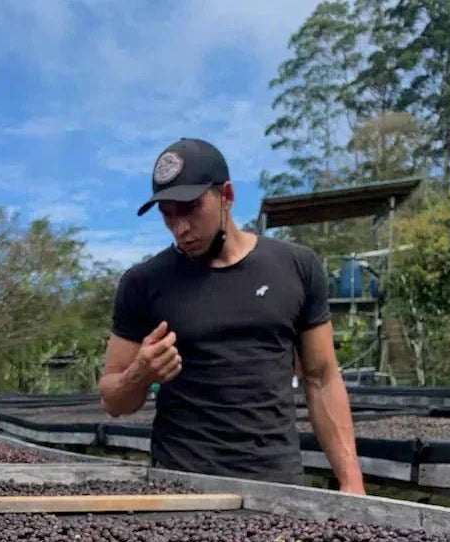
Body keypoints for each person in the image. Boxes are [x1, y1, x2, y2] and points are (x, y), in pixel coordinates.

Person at [98, 137, 365, 493]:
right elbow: (114, 401)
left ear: (226, 195)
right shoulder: (143, 283)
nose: (180, 228)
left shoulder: (296, 267)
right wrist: (140, 375)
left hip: (277, 484)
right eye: (168, 215)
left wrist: (352, 483)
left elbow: (321, 379)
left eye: (190, 208)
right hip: (181, 488)